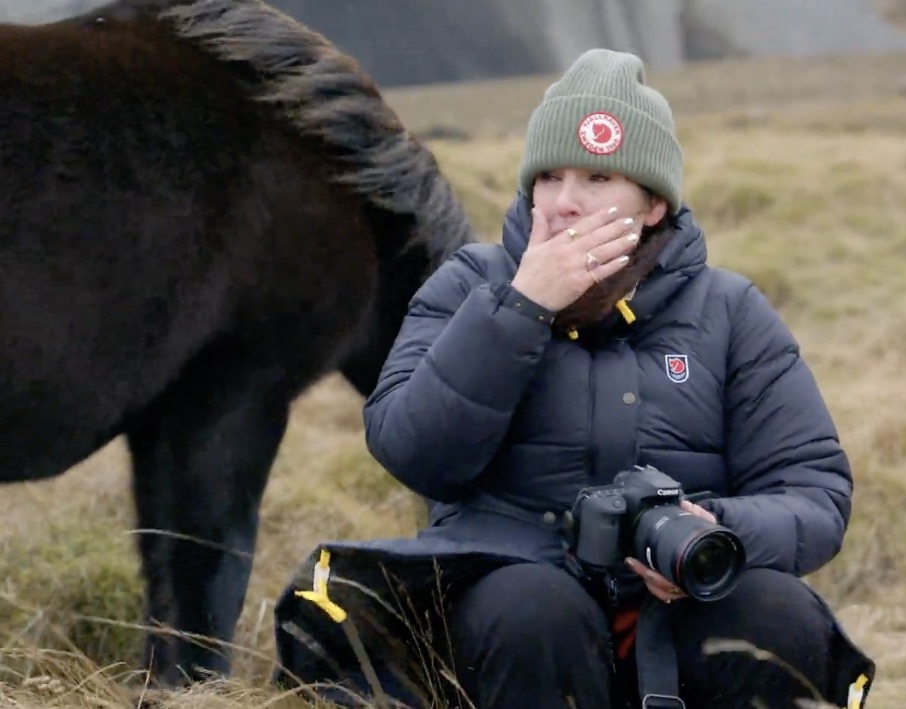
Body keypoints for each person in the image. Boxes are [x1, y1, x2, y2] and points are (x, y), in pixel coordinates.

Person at [272, 48, 874, 709]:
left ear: (651, 205)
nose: (563, 202)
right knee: (532, 608)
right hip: (511, 592)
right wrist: (519, 308)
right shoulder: (471, 286)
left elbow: (813, 492)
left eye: (596, 178)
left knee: (776, 613)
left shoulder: (730, 312)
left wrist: (714, 528)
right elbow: (412, 451)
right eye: (549, 177)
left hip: (679, 594)